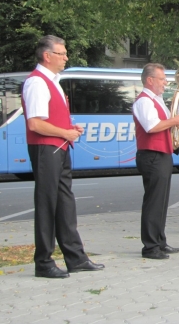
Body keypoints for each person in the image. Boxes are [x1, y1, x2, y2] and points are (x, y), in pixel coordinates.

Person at [22, 35, 104, 278]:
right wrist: (65, 132)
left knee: (65, 204)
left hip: (59, 148)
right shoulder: (37, 82)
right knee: (47, 205)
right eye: (62, 53)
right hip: (47, 149)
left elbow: (51, 119)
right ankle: (44, 262)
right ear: (47, 56)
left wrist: (69, 131)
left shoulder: (52, 81)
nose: (66, 57)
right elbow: (35, 123)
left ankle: (75, 257)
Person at [133, 63, 179, 259]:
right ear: (150, 80)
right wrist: (175, 121)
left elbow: (166, 125)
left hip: (161, 153)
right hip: (152, 154)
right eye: (162, 78)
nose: (166, 82)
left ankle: (159, 241)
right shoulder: (144, 101)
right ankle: (150, 247)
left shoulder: (156, 100)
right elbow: (151, 126)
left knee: (161, 201)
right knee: (154, 202)